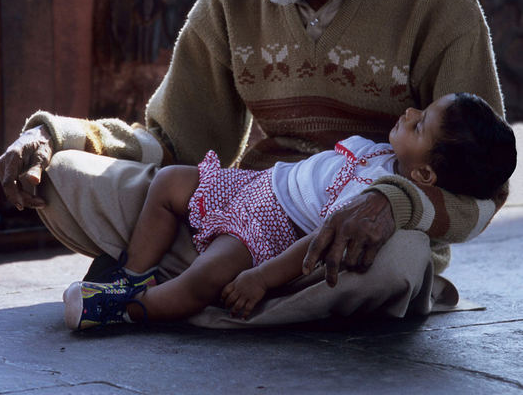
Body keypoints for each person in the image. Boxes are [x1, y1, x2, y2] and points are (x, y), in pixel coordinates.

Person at [0, 0, 507, 326]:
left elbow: (484, 191)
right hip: (245, 209)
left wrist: (393, 206)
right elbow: (173, 142)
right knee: (62, 178)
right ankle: (227, 297)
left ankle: (191, 293)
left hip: (351, 242)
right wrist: (55, 137)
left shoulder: (437, 1)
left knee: (398, 262)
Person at [62, 92, 516, 330]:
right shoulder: (382, 152)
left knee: (206, 276)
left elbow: (316, 242)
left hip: (268, 227)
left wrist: (262, 277)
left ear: (428, 178)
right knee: (168, 180)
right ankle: (133, 275)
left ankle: (129, 311)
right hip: (254, 185)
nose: (410, 111)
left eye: (419, 125)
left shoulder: (372, 194)